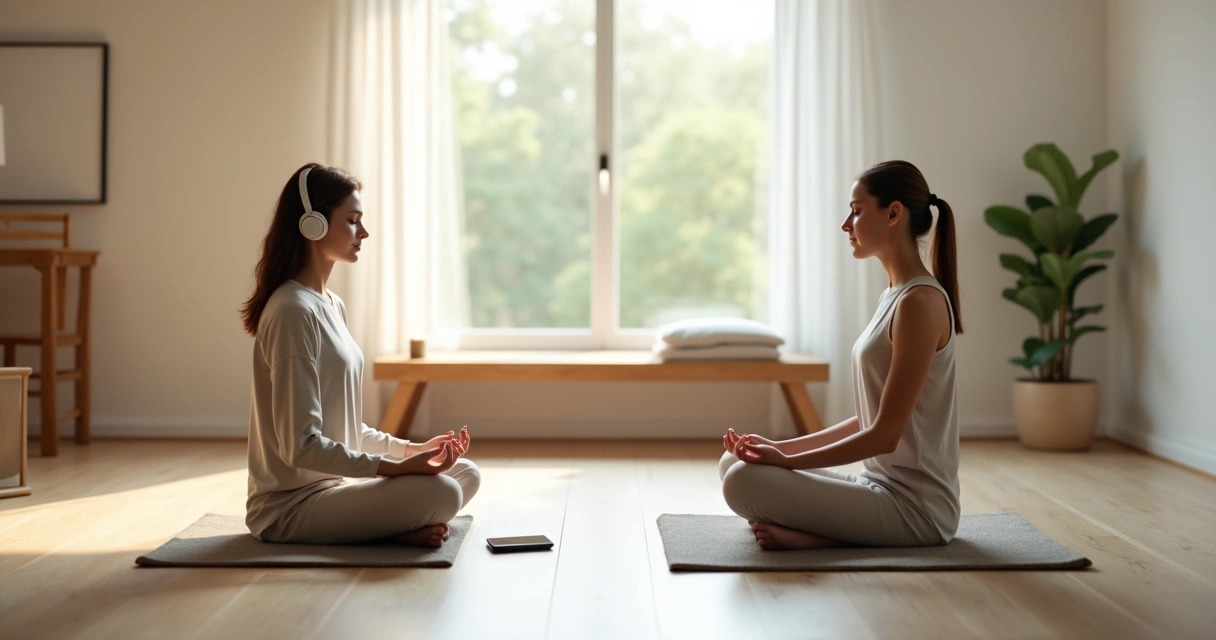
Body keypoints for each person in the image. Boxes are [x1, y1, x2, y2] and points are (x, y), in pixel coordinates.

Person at [720, 160, 963, 550]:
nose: (845, 224)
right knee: (735, 465)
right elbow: (870, 418)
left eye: (856, 210)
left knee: (740, 481)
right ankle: (824, 533)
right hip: (877, 486)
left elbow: (884, 436)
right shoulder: (895, 296)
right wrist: (780, 449)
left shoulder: (921, 302)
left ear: (893, 213)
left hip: (917, 510)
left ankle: (820, 540)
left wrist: (785, 462)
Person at [239, 163, 479, 547]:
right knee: (445, 493)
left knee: (465, 473)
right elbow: (300, 446)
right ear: (312, 224)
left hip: (337, 489)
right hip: (289, 508)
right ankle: (393, 530)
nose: (363, 232)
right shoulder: (291, 311)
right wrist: (396, 469)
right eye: (352, 221)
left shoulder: (331, 304)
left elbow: (346, 431)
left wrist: (413, 451)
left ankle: (391, 527)